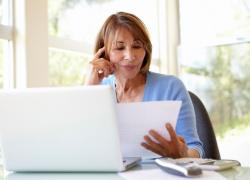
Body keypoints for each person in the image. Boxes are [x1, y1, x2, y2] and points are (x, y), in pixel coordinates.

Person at [86, 12, 204, 158]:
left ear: (145, 50)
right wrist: (89, 91)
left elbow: (195, 149)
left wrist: (181, 154)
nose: (130, 56)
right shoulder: (97, 90)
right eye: (120, 48)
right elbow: (84, 146)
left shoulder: (171, 87)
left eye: (136, 46)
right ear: (104, 53)